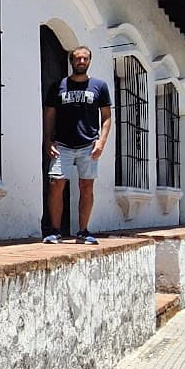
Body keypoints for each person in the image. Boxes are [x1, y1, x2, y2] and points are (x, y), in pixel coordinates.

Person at [42, 45, 112, 245]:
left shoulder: (99, 86)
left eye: (85, 58)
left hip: (89, 145)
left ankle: (83, 231)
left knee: (86, 186)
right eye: (77, 58)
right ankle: (55, 231)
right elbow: (49, 114)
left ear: (89, 61)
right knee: (56, 184)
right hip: (61, 144)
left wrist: (102, 142)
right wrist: (47, 140)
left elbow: (107, 117)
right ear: (71, 61)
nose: (81, 61)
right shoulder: (58, 86)